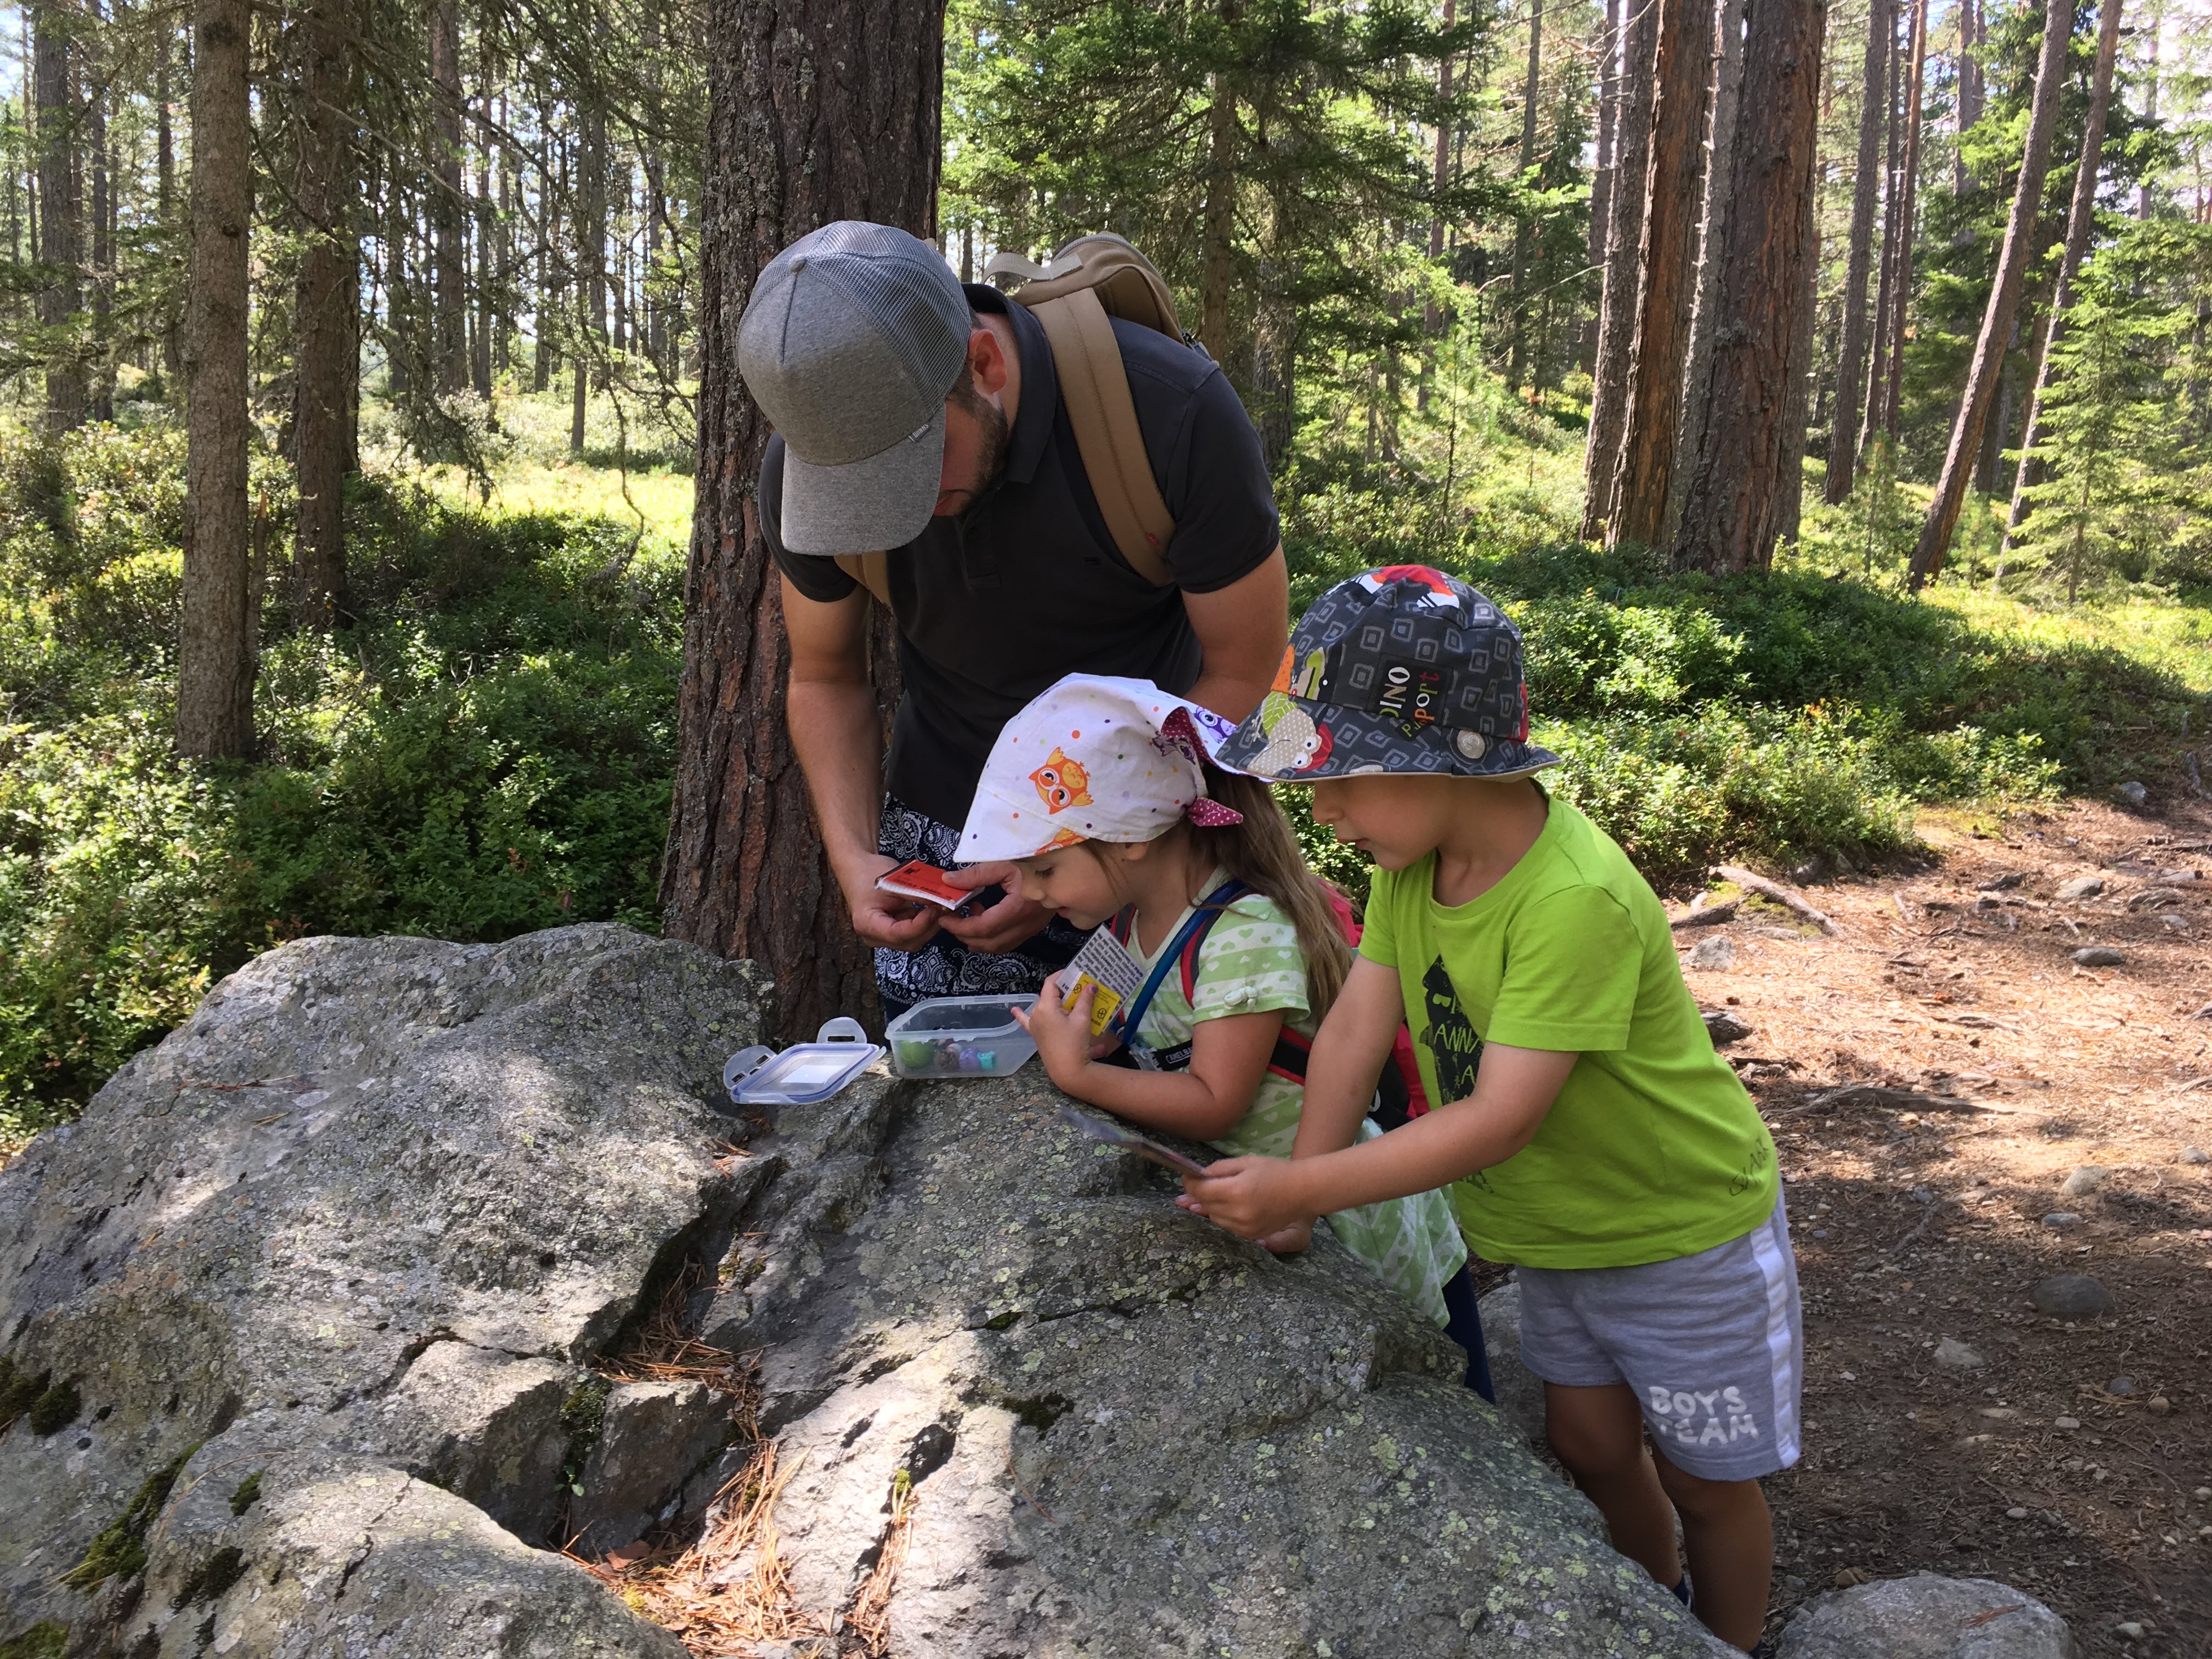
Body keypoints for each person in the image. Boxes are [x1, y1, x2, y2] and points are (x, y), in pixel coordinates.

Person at [1181, 567, 1801, 1656]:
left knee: (1710, 1479)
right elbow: (1355, 1033)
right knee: (1590, 1444)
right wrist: (1296, 1208)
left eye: (1344, 777)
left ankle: (1730, 1639)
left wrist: (1302, 1185)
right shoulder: (1415, 867)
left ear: (1445, 762)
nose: (1322, 810)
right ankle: (1647, 1608)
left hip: (1679, 1232)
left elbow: (1500, 1119)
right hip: (1562, 1234)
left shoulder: (1573, 899)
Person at [736, 221, 1290, 1017]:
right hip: (948, 846)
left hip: (1153, 842)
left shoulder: (1170, 413)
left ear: (984, 365)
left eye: (917, 470)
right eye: (865, 491)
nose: (900, 512)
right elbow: (827, 677)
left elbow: (1245, 673)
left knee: (1173, 1097)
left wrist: (1071, 856)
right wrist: (856, 858)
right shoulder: (806, 477)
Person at [953, 674, 1479, 1361]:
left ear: (1130, 838)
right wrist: (1094, 1029)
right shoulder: (1132, 922)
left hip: (1337, 1211)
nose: (1025, 892)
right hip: (1260, 1197)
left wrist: (1078, 1072)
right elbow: (1124, 1016)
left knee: (1449, 1382)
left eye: (1045, 870)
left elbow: (1214, 1103)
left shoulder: (1241, 932)